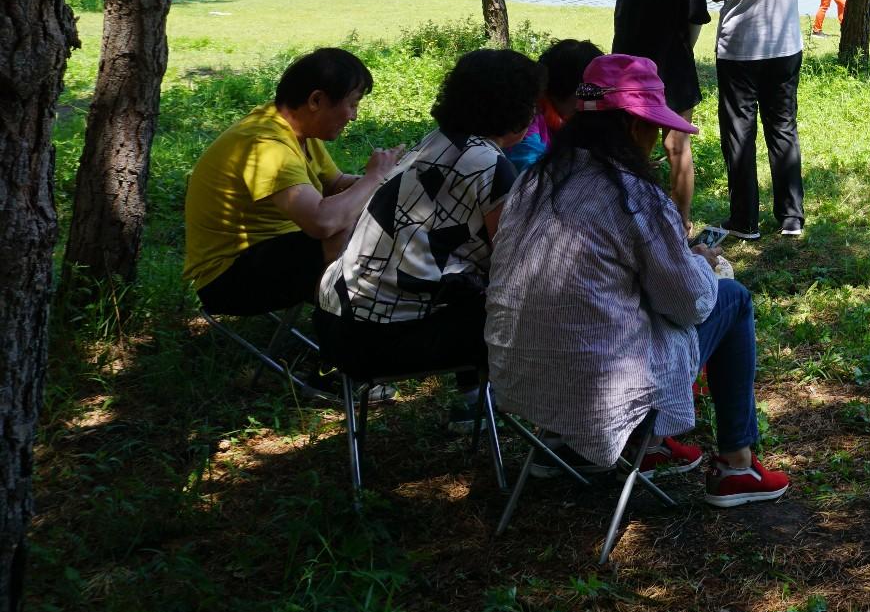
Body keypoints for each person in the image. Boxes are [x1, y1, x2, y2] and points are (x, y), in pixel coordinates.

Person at [486, 54, 791, 504]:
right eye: (654, 126)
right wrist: (704, 265)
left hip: (518, 382)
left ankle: (633, 445)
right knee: (733, 298)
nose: (658, 139)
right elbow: (690, 304)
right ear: (632, 127)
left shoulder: (533, 180)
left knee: (616, 304)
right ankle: (736, 465)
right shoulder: (634, 197)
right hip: (601, 390)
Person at [314, 49, 540, 392]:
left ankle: (475, 404)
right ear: (518, 110)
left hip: (334, 324)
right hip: (381, 341)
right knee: (537, 314)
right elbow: (515, 266)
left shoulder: (436, 143)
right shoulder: (490, 166)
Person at [184, 48, 405, 316]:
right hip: (227, 278)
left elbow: (335, 184)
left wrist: (393, 181)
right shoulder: (265, 144)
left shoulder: (299, 132)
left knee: (365, 222)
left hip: (273, 252)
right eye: (353, 104)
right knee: (344, 229)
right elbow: (322, 222)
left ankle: (361, 311)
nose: (354, 116)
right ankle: (347, 320)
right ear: (316, 100)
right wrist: (374, 177)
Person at [705, 0, 813, 240]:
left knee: (740, 132)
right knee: (783, 126)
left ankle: (745, 221)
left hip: (739, 46)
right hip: (785, 43)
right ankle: (790, 217)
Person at [613, 0, 712, 223]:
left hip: (627, 62)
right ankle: (681, 224)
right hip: (670, 62)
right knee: (677, 146)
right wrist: (685, 51)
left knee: (634, 147)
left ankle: (627, 219)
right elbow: (695, 19)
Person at [505, 39, 602, 172]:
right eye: (590, 92)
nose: (594, 100)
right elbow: (532, 174)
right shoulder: (526, 123)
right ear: (567, 88)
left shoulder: (564, 117)